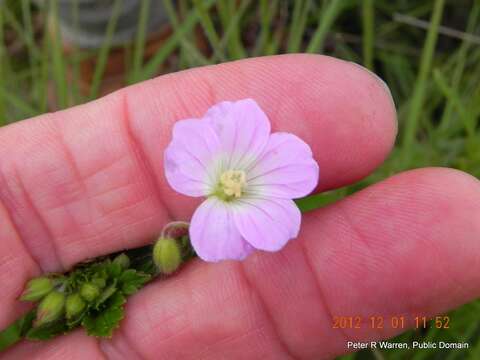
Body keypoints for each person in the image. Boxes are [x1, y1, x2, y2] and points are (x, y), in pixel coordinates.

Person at [0, 54, 479, 359]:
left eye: (236, 182)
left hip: (224, 210)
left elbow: (274, 190)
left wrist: (227, 195)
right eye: (232, 181)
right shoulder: (209, 170)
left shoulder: (244, 196)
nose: (234, 181)